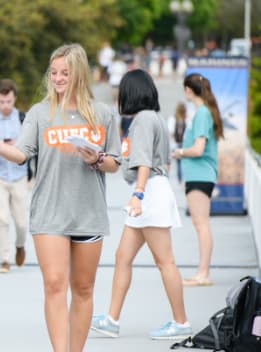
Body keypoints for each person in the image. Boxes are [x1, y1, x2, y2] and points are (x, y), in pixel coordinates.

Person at [0, 43, 121, 352]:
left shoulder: (101, 114)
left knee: (84, 289)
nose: (58, 78)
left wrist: (96, 160)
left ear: (79, 74)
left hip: (89, 214)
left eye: (65, 73)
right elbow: (21, 154)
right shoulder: (39, 113)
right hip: (49, 214)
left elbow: (115, 162)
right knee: (55, 285)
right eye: (54, 73)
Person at [90, 69, 191, 340]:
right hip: (149, 192)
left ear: (130, 93)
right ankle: (112, 318)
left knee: (164, 261)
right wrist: (99, 159)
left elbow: (144, 161)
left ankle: (181, 321)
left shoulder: (144, 120)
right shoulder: (151, 118)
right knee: (122, 257)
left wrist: (139, 194)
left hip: (148, 193)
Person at [171, 73, 223, 287]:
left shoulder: (202, 113)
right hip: (199, 175)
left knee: (201, 225)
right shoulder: (204, 112)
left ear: (189, 90)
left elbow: (199, 148)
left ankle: (203, 273)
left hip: (200, 174)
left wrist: (180, 152)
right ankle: (202, 272)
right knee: (200, 224)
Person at [0, 79, 29, 273]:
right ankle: (5, 259)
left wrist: (14, 146)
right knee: (2, 218)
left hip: (19, 175)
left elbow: (30, 149)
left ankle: (20, 245)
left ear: (14, 98)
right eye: (2, 102)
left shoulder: (24, 119)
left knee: (21, 222)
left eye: (9, 101)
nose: (5, 106)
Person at [170, 102, 187, 183]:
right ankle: (181, 179)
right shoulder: (175, 119)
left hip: (180, 144)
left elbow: (171, 132)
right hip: (180, 144)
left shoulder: (175, 119)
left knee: (180, 162)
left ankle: (180, 179)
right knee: (180, 162)